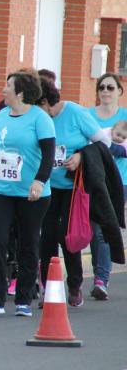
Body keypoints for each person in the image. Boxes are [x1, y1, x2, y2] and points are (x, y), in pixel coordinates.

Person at [0, 71, 55, 317]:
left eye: (8, 85)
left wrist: (39, 182)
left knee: (28, 244)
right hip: (1, 190)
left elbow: (49, 156)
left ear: (20, 92)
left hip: (32, 194)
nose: (4, 89)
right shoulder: (0, 116)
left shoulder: (39, 119)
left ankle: (23, 299)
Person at [36, 77, 110, 308]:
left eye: (38, 108)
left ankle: (75, 285)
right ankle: (48, 288)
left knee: (66, 235)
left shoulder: (75, 113)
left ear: (47, 102)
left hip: (72, 187)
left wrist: (80, 156)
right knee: (46, 236)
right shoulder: (38, 118)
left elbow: (103, 142)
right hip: (47, 185)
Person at [87, 73, 127, 300]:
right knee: (91, 231)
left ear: (119, 91)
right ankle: (94, 274)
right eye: (101, 87)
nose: (105, 91)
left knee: (101, 231)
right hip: (92, 180)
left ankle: (101, 280)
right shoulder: (87, 115)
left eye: (110, 87)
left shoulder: (125, 117)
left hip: (118, 182)